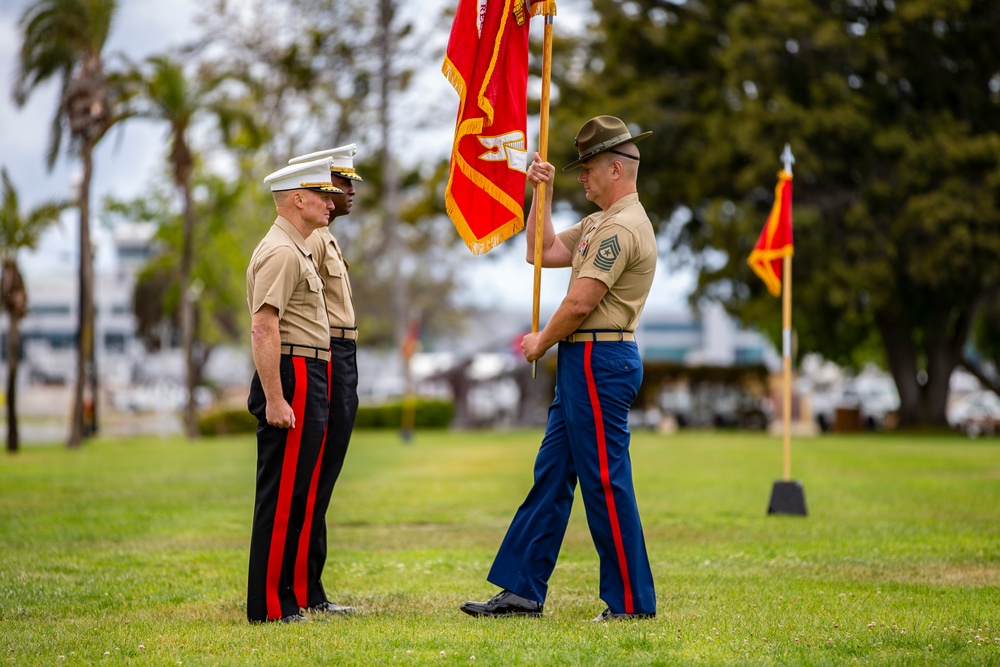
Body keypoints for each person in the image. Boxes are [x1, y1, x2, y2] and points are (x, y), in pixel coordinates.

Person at [460, 115, 658, 622]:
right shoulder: (597, 223)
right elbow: (538, 251)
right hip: (583, 358)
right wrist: (539, 195)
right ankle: (523, 590)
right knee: (552, 475)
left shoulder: (621, 228)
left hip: (598, 356)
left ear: (617, 169)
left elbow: (579, 303)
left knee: (604, 481)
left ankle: (631, 603)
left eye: (588, 169)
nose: (582, 178)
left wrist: (539, 343)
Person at [245, 156, 343, 624]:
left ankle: (284, 598)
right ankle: (268, 605)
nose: (331, 201)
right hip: (293, 372)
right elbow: (264, 327)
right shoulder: (283, 251)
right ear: (297, 199)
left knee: (297, 493)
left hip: (310, 369)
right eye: (322, 194)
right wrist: (275, 398)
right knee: (282, 495)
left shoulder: (297, 247)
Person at [285, 143, 365, 615]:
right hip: (326, 355)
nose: (350, 193)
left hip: (340, 354)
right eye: (343, 183)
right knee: (313, 478)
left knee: (323, 478)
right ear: (321, 189)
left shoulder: (327, 238)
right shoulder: (311, 239)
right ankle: (304, 590)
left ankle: (310, 587)